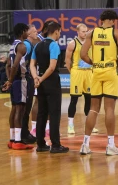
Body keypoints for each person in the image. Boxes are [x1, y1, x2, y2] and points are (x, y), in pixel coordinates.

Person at [79, 10, 118, 156]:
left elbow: (83, 54)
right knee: (109, 109)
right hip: (109, 72)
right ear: (112, 20)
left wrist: (93, 63)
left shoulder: (92, 33)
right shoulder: (116, 33)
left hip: (96, 72)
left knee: (93, 109)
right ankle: (111, 145)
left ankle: (85, 144)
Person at [30, 21, 69, 153]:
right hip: (51, 82)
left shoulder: (38, 45)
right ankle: (56, 145)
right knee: (54, 113)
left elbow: (32, 64)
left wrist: (36, 77)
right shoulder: (54, 45)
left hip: (40, 82)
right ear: (56, 31)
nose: (60, 34)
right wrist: (41, 78)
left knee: (42, 113)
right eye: (60, 32)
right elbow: (52, 67)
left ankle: (40, 144)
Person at [2, 23, 34, 150]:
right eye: (27, 31)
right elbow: (15, 65)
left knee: (14, 109)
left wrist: (9, 79)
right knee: (20, 110)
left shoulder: (12, 46)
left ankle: (12, 140)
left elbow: (7, 66)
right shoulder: (21, 45)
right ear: (22, 32)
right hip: (21, 80)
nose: (28, 33)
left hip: (15, 80)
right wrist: (10, 80)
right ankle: (18, 141)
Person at [65, 23, 97, 134]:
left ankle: (89, 125)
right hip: (77, 72)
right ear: (77, 32)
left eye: (86, 31)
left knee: (89, 99)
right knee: (74, 99)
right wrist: (72, 72)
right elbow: (67, 60)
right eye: (83, 31)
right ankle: (70, 125)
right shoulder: (72, 43)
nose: (85, 33)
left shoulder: (91, 43)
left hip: (89, 73)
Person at [20, 24, 39, 145]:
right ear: (29, 34)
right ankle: (23, 134)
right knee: (25, 107)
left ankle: (25, 132)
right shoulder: (27, 45)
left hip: (28, 78)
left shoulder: (30, 45)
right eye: (35, 31)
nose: (37, 33)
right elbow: (22, 62)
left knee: (27, 107)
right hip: (26, 79)